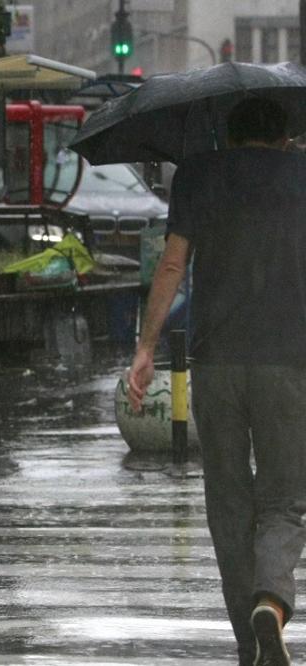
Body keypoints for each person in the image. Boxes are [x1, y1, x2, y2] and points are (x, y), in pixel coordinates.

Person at [126, 97, 306, 666]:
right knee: (284, 497)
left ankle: (248, 642)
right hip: (288, 361)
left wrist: (147, 347)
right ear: (285, 136)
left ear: (229, 134)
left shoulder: (198, 174)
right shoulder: (301, 173)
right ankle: (270, 600)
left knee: (227, 500)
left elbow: (172, 265)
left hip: (215, 361)